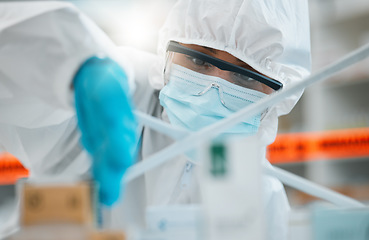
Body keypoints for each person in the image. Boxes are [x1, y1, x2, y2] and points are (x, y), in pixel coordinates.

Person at [0, 0, 311, 239]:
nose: (211, 91)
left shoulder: (261, 195)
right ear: (166, 55)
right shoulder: (117, 94)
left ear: (277, 99)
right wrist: (69, 67)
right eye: (198, 59)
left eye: (244, 78)